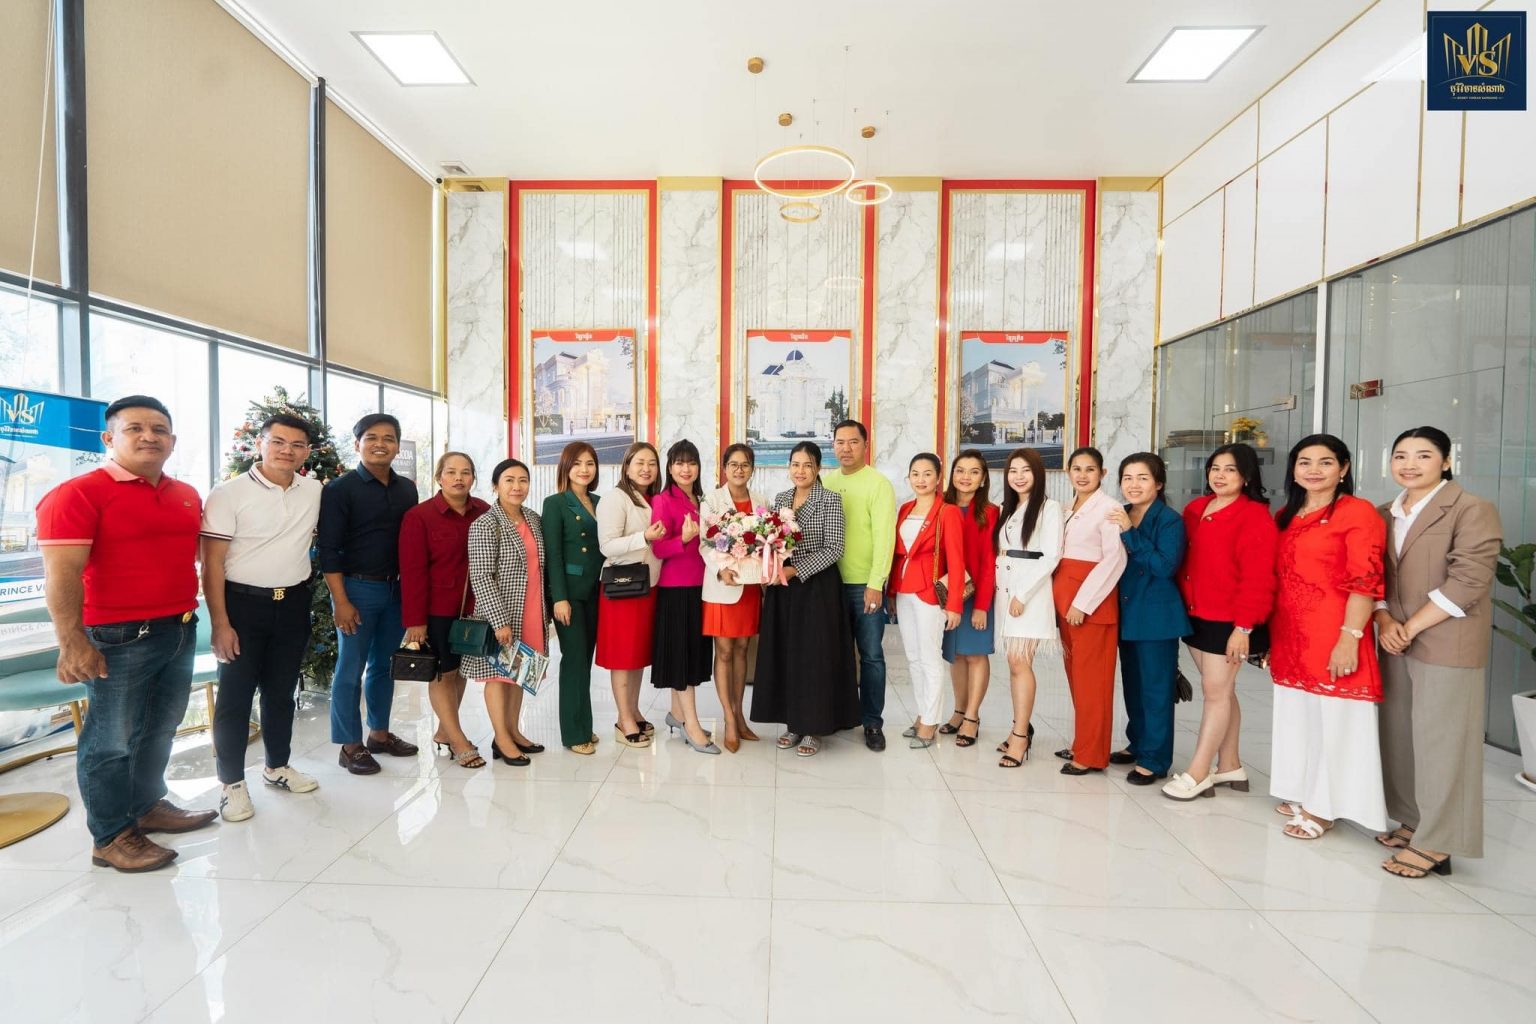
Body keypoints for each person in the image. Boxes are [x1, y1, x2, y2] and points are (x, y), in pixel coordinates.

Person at [37, 395, 216, 872]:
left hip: (179, 628)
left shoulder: (185, 494)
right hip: (117, 636)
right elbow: (61, 574)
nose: (149, 436)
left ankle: (146, 805)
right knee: (110, 740)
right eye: (135, 428)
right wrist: (71, 641)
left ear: (172, 441)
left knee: (159, 727)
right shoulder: (78, 494)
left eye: (159, 429)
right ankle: (111, 835)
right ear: (108, 438)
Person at [1375, 427, 1501, 876]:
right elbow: (1373, 575)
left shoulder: (1471, 509)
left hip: (1447, 639)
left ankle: (1440, 841)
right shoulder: (1384, 513)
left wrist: (1410, 626)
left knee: (1444, 741)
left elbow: (1469, 580)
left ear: (1446, 461)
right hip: (1394, 637)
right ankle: (1414, 820)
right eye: (1401, 455)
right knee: (1400, 734)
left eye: (1423, 455)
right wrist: (1384, 619)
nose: (1409, 464)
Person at [200, 413, 324, 822]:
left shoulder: (313, 490)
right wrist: (220, 624)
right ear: (260, 444)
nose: (287, 451)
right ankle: (232, 784)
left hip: (292, 604)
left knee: (281, 692)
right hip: (242, 606)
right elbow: (212, 565)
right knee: (235, 698)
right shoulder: (228, 493)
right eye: (278, 442)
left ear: (307, 451)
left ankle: (277, 767)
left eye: (297, 445)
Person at [1267, 434, 1389, 840]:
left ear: (1344, 468)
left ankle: (1324, 807)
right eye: (1305, 462)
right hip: (1291, 632)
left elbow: (1365, 581)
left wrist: (1350, 637)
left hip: (1334, 631)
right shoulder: (1287, 514)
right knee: (1299, 714)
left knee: (1337, 719)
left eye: (1325, 462)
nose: (1314, 470)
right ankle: (1302, 789)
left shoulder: (1357, 512)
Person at [1163, 443, 1278, 801]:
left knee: (1216, 693)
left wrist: (1244, 628)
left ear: (1246, 476)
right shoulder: (1196, 509)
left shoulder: (1255, 516)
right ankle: (1230, 765)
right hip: (1195, 613)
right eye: (1215, 468)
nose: (1220, 476)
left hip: (1230, 620)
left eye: (1230, 469)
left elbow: (1259, 578)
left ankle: (1199, 773)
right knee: (1222, 691)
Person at [317, 413, 421, 775]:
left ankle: (379, 733)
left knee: (384, 665)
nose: (381, 444)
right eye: (372, 437)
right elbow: (328, 549)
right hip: (357, 589)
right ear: (357, 443)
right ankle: (350, 745)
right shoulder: (339, 489)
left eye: (389, 438)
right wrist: (341, 600)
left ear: (398, 445)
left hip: (396, 589)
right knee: (350, 668)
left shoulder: (407, 489)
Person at [752, 442, 860, 756]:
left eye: (807, 465)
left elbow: (834, 548)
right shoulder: (781, 498)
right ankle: (793, 723)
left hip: (816, 588)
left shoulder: (830, 499)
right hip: (783, 590)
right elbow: (771, 542)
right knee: (787, 654)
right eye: (795, 464)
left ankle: (814, 727)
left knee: (814, 657)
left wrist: (795, 569)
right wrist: (770, 566)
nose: (800, 471)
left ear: (818, 468)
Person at [399, 451, 490, 769]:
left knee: (460, 670)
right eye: (451, 472)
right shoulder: (419, 516)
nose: (458, 478)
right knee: (442, 673)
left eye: (466, 472)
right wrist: (415, 621)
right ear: (439, 477)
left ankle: (443, 731)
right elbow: (412, 572)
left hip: (474, 608)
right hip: (437, 610)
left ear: (473, 477)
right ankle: (459, 740)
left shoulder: (484, 511)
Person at [1106, 453, 1191, 785]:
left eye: (1142, 478)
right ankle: (1139, 742)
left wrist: (1130, 533)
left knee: (1156, 689)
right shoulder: (1120, 513)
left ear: (1158, 483)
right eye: (1127, 478)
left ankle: (1155, 759)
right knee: (1133, 686)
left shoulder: (1169, 521)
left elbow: (1164, 566)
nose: (1133, 484)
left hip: (1156, 617)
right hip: (1126, 613)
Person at [460, 459, 551, 767]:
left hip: (532, 609)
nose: (517, 486)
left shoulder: (533, 519)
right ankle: (501, 738)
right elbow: (481, 576)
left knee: (520, 674)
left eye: (523, 480)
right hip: (502, 613)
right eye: (509, 480)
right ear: (495, 486)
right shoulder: (485, 524)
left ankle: (513, 731)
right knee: (498, 677)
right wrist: (499, 621)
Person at [1051, 447, 1127, 776]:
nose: (1083, 475)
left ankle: (1090, 754)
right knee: (1077, 678)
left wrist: (1082, 603)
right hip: (1065, 601)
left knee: (1093, 682)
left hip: (1090, 605)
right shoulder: (1068, 507)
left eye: (1090, 469)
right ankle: (1084, 742)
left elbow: (1115, 559)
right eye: (1077, 469)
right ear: (1068, 472)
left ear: (1102, 474)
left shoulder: (1109, 508)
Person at [822, 419, 897, 751]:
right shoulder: (826, 482)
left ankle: (872, 722)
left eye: (853, 442)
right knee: (832, 656)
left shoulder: (878, 484)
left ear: (865, 445)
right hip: (828, 586)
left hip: (864, 586)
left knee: (871, 656)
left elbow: (884, 538)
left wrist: (875, 583)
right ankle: (837, 715)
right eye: (840, 442)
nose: (846, 448)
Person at [992, 448, 1064, 768]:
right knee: (1014, 664)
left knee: (1021, 664)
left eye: (1026, 470)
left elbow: (1051, 556)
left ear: (1038, 473)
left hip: (1028, 595)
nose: (1019, 477)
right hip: (1005, 592)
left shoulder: (1049, 508)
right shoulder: (1007, 509)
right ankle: (1018, 728)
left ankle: (1021, 736)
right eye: (1013, 471)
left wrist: (1022, 595)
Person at [889, 453, 965, 748]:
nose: (920, 480)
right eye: (915, 474)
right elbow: (898, 555)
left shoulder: (947, 512)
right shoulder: (905, 508)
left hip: (930, 593)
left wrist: (954, 604)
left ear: (938, 478)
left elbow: (956, 561)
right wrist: (892, 593)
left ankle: (931, 721)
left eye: (927, 474)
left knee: (930, 657)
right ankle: (922, 714)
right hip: (904, 590)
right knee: (913, 657)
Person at [649, 439, 719, 754]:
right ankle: (692, 726)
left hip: (700, 587)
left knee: (690, 654)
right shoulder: (663, 500)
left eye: (691, 462)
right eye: (679, 463)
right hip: (676, 589)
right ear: (670, 467)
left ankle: (677, 715)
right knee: (683, 658)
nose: (685, 469)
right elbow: (658, 548)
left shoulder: (701, 500)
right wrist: (684, 539)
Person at [596, 441, 665, 747]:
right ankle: (623, 720)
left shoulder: (652, 498)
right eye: (639, 462)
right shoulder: (615, 498)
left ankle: (634, 711)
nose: (646, 469)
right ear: (626, 466)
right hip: (622, 588)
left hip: (647, 586)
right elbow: (607, 546)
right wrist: (644, 537)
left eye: (652, 463)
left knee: (637, 655)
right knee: (623, 657)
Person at [701, 443, 765, 753]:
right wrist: (721, 569)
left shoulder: (761, 502)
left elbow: (767, 543)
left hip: (749, 585)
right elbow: (704, 544)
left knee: (742, 649)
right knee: (724, 651)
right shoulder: (712, 500)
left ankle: (740, 715)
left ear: (752, 469)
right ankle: (728, 717)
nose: (739, 470)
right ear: (724, 468)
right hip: (721, 586)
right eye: (733, 464)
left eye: (745, 465)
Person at [540, 442, 603, 755]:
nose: (584, 469)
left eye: (589, 463)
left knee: (585, 661)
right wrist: (559, 598)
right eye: (577, 463)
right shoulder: (555, 503)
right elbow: (552, 554)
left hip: (596, 590)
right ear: (565, 467)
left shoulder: (599, 501)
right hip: (570, 595)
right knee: (574, 659)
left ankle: (584, 725)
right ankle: (574, 733)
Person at [939, 450, 998, 749]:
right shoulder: (941, 506)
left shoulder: (989, 511)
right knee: (957, 655)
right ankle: (959, 711)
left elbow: (989, 562)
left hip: (976, 595)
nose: (966, 477)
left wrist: (983, 606)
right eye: (960, 470)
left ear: (983, 478)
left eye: (974, 472)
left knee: (975, 654)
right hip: (947, 593)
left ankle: (972, 717)